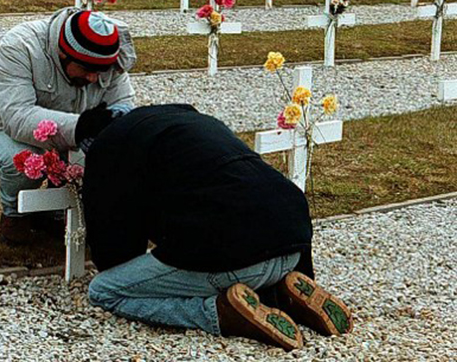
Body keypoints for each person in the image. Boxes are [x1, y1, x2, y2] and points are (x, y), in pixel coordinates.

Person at [78, 104, 353, 351]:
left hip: (232, 251)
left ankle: (220, 312)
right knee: (230, 244)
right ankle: (281, 293)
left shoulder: (107, 148)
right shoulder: (187, 121)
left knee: (104, 290)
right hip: (293, 242)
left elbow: (113, 255)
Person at [0, 8, 136, 245]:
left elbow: (123, 105)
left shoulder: (108, 50)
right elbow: (17, 117)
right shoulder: (20, 45)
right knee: (26, 160)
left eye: (101, 71)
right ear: (64, 54)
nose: (95, 79)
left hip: (72, 129)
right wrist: (82, 127)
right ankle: (15, 216)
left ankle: (56, 213)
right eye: (87, 70)